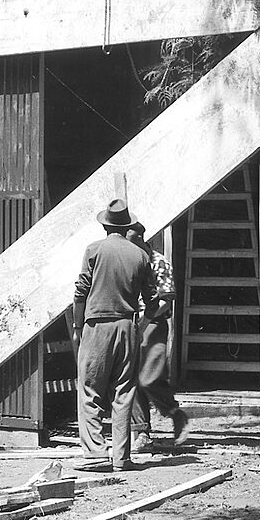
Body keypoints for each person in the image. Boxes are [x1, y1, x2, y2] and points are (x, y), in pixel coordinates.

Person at [72, 198, 156, 471]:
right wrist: (137, 325)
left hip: (97, 325)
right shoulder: (141, 255)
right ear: (127, 226)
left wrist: (77, 326)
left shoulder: (94, 250)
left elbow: (80, 292)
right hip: (127, 326)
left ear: (105, 225)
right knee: (124, 392)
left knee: (89, 390)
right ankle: (122, 458)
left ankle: (96, 453)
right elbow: (152, 300)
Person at [125, 224, 190, 450]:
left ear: (141, 239)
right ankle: (141, 432)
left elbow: (166, 298)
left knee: (149, 377)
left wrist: (146, 317)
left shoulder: (158, 261)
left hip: (153, 322)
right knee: (131, 377)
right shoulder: (127, 258)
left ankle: (174, 412)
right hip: (130, 323)